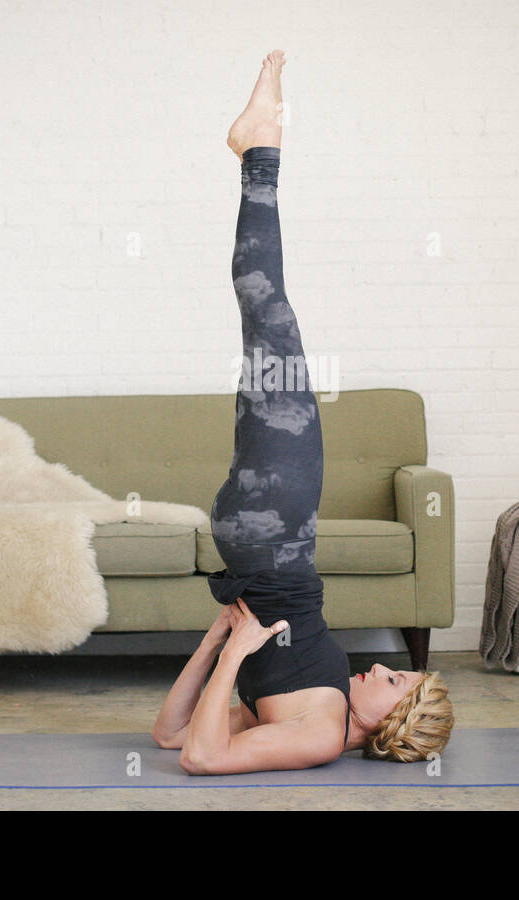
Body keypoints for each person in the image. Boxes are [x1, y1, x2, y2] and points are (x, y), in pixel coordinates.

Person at [151, 51, 453, 775]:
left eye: (392, 683)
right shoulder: (318, 704)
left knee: (271, 320)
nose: (380, 671)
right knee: (270, 332)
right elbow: (168, 732)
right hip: (264, 543)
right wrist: (218, 641)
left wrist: (241, 653)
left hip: (273, 533)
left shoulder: (320, 734)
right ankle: (256, 148)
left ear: (391, 725)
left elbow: (195, 757)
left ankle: (260, 153)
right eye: (396, 672)